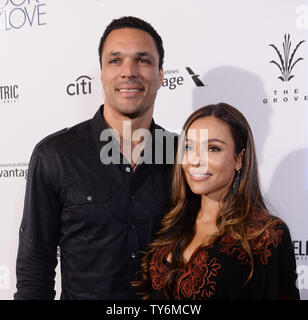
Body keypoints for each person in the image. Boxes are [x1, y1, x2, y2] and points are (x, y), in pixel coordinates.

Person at [14, 16, 176, 300]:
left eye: (143, 60)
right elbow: (35, 267)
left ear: (161, 74)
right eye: (115, 60)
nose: (129, 71)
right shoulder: (56, 155)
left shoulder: (182, 155)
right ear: (101, 73)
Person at [133, 103, 300, 300]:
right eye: (188, 147)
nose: (196, 161)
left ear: (239, 158)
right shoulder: (172, 221)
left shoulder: (265, 235)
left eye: (213, 148)